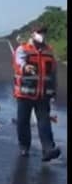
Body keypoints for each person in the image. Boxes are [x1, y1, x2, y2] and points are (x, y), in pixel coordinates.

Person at [13, 24, 60, 161]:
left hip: (43, 94)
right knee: (23, 122)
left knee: (44, 121)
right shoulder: (23, 49)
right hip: (25, 93)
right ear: (32, 34)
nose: (42, 35)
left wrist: (54, 91)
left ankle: (48, 149)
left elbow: (54, 72)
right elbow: (18, 63)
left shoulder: (49, 51)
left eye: (44, 32)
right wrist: (25, 67)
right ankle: (24, 146)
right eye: (40, 32)